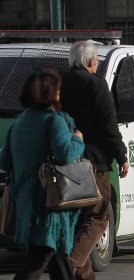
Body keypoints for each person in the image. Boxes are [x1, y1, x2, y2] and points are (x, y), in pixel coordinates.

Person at [0, 69, 84, 279]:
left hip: (26, 201)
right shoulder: (54, 121)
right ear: (51, 92)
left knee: (55, 257)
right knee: (42, 254)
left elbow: (4, 161)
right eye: (57, 90)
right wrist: (78, 140)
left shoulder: (18, 123)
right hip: (48, 203)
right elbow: (65, 155)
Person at [60, 41, 129, 280]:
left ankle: (83, 275)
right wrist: (121, 156)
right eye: (97, 61)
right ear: (90, 61)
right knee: (99, 214)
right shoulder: (96, 84)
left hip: (66, 159)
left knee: (80, 220)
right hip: (94, 161)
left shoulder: (60, 82)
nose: (97, 64)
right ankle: (70, 263)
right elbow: (108, 125)